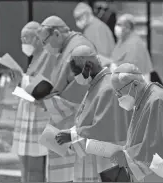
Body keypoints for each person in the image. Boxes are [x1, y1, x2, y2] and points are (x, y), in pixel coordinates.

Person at [54, 45, 132, 182]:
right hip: (96, 157)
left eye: (77, 72)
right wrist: (72, 131)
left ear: (89, 65)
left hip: (107, 162)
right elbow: (86, 119)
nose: (76, 77)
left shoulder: (108, 88)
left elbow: (103, 129)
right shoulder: (97, 84)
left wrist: (72, 135)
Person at [36, 15, 96, 182]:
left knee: (76, 172)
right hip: (67, 119)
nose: (44, 46)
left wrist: (51, 102)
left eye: (45, 41)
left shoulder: (79, 47)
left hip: (77, 120)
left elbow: (82, 89)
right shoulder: (68, 46)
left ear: (56, 34)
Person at [11, 21, 56, 182]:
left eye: (25, 38)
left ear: (37, 39)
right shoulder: (35, 57)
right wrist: (19, 82)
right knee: (26, 163)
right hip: (29, 114)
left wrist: (20, 81)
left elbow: (40, 90)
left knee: (35, 167)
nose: (23, 43)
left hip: (39, 117)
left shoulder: (48, 57)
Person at [110, 14, 153, 83]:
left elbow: (130, 68)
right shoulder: (122, 40)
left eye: (119, 25)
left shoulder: (135, 43)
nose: (116, 27)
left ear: (128, 28)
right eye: (117, 24)